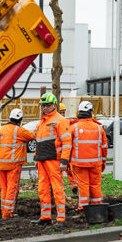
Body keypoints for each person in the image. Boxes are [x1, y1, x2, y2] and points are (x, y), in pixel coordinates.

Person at [34, 92, 72, 225]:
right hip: (42, 160)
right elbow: (38, 141)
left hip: (55, 161)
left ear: (54, 105)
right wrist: (36, 158)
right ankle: (45, 217)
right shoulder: (41, 123)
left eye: (47, 105)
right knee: (42, 189)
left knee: (57, 189)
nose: (45, 108)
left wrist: (64, 161)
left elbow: (67, 142)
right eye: (43, 105)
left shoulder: (60, 120)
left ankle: (61, 218)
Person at [0, 108, 34, 219]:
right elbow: (32, 136)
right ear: (20, 120)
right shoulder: (19, 130)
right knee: (12, 189)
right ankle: (8, 213)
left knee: (4, 189)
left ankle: (4, 210)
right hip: (13, 165)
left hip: (1, 164)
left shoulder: (0, 130)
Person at [69, 101, 108, 211]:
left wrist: (67, 161)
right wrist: (103, 162)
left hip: (79, 164)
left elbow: (68, 146)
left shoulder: (74, 128)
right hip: (96, 164)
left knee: (83, 185)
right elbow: (104, 147)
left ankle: (84, 208)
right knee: (95, 185)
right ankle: (98, 207)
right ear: (91, 112)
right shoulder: (99, 128)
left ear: (79, 112)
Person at [58, 102, 78, 196]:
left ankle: (74, 187)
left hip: (68, 150)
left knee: (71, 170)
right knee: (62, 172)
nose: (63, 114)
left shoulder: (67, 121)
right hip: (61, 152)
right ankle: (70, 188)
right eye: (61, 112)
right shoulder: (58, 122)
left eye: (63, 112)